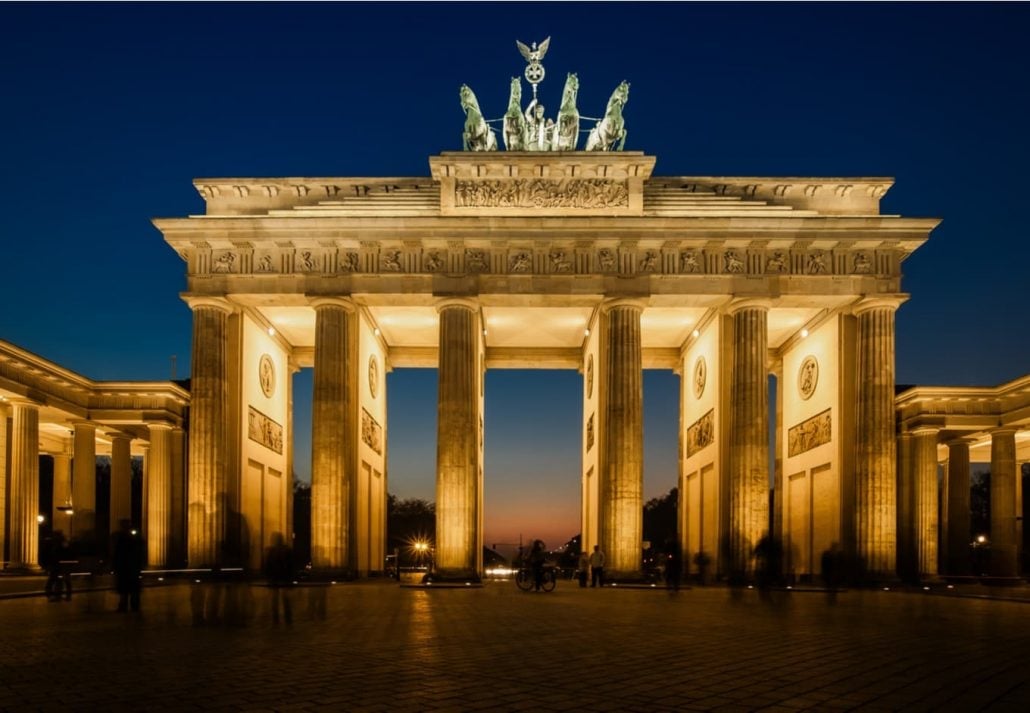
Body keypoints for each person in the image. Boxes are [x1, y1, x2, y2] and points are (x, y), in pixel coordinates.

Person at [112, 519, 144, 612]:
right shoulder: (134, 537)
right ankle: (133, 606)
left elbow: (117, 553)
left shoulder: (122, 538)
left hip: (126, 567)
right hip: (130, 567)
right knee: (130, 589)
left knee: (126, 589)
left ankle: (126, 606)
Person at [265, 532, 295, 624]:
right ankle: (287, 619)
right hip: (283, 578)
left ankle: (276, 620)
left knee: (276, 601)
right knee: (284, 601)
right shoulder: (286, 550)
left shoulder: (271, 551)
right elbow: (291, 566)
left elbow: (267, 565)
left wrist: (268, 577)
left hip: (276, 579)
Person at [43, 530, 71, 601]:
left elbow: (54, 555)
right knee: (59, 581)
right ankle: (59, 596)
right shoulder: (62, 543)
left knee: (55, 581)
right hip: (59, 565)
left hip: (58, 565)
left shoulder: (57, 544)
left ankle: (56, 596)